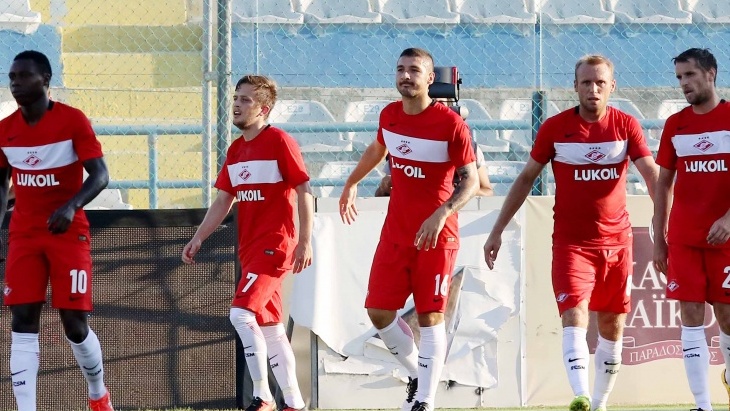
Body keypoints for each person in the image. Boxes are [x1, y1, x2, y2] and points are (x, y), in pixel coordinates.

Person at [483, 54, 658, 411]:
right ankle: (581, 395)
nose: (593, 89)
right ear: (575, 86)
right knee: (574, 314)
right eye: (586, 82)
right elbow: (526, 178)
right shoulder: (555, 128)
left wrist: (669, 221)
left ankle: (599, 403)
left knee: (612, 323)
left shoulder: (626, 125)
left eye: (600, 82)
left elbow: (652, 174)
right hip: (572, 244)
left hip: (617, 244)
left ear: (612, 86)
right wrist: (497, 229)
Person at [339, 47, 479, 411]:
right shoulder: (389, 115)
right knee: (378, 312)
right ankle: (420, 376)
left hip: (436, 237)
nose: (405, 75)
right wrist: (352, 182)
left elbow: (471, 181)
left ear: (430, 79)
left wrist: (442, 213)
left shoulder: (451, 124)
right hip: (396, 235)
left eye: (414, 70)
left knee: (431, 317)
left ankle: (424, 401)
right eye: (400, 69)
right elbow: (378, 149)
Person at [181, 74, 313, 411]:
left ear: (263, 109)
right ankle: (294, 403)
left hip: (275, 246)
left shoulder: (280, 141)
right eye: (236, 98)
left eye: (246, 100)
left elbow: (303, 191)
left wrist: (305, 241)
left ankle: (263, 396)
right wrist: (198, 237)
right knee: (270, 327)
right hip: (249, 249)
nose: (237, 105)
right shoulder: (237, 150)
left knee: (240, 314)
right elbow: (223, 200)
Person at [0, 50, 114, 411]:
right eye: (12, 77)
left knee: (74, 325)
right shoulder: (5, 130)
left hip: (68, 233)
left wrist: (71, 205)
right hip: (24, 235)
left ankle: (98, 395)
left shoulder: (72, 120)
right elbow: (1, 185)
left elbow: (100, 175)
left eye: (24, 76)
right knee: (22, 320)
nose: (15, 83)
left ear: (46, 80)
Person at [653, 48, 730, 411]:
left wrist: (728, 219)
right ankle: (702, 405)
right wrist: (659, 239)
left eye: (690, 75)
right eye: (679, 77)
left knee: (727, 316)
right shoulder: (675, 124)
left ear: (710, 74)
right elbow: (663, 184)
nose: (684, 83)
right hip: (685, 238)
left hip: (726, 239)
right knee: (691, 315)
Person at [374, 138, 493, 197]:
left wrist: (457, 191)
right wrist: (384, 187)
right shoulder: (403, 144)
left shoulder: (469, 147)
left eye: (441, 103)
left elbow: (487, 192)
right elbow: (380, 195)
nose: (437, 108)